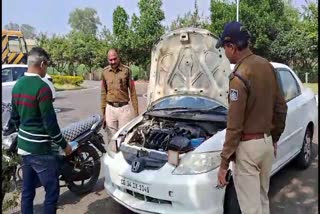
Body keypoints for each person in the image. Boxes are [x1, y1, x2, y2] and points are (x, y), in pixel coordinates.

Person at [215, 21, 288, 214]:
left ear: (231, 46)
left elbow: (234, 126)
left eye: (224, 47)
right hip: (266, 144)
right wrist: (274, 138)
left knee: (251, 209)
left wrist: (224, 163)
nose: (224, 52)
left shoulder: (238, 77)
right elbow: (281, 108)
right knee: (263, 200)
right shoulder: (267, 67)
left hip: (248, 150)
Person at [9, 47, 72, 214]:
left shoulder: (17, 86)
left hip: (24, 149)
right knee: (51, 191)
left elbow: (14, 118)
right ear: (42, 63)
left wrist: (24, 134)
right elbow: (50, 125)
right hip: (40, 151)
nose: (47, 69)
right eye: (47, 65)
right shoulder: (42, 88)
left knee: (27, 192)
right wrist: (64, 145)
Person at [101, 49, 139, 138]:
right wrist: (104, 114)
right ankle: (113, 151)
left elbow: (133, 92)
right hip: (110, 109)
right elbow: (103, 93)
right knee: (111, 138)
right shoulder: (105, 72)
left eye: (115, 59)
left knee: (124, 137)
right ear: (108, 60)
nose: (113, 61)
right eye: (110, 60)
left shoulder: (127, 71)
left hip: (124, 109)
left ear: (118, 58)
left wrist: (136, 113)